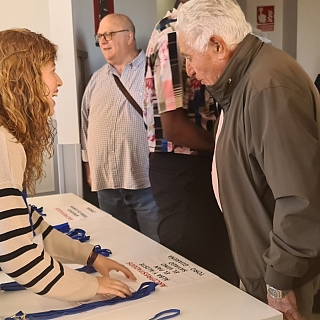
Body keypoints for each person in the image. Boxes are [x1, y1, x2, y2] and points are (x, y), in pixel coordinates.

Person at [176, 0, 320, 319]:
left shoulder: (268, 87)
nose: (189, 70)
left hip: (289, 281)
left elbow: (300, 198)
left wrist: (279, 282)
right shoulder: (244, 80)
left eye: (188, 56)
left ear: (217, 45)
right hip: (268, 269)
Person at [0, 28, 136, 302]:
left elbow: (26, 223)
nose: (59, 81)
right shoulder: (4, 143)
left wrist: (90, 256)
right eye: (51, 70)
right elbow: (17, 254)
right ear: (24, 80)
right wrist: (92, 286)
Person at [144, 0, 238, 285]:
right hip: (183, 164)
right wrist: (227, 148)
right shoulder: (175, 33)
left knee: (215, 260)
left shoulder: (186, 29)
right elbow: (172, 126)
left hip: (196, 160)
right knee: (194, 267)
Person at [80, 14, 159, 242]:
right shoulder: (97, 79)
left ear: (129, 36)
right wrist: (88, 169)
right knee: (117, 249)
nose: (102, 41)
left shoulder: (153, 72)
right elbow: (85, 124)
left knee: (158, 251)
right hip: (106, 186)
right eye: (99, 37)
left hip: (146, 185)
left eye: (108, 34)